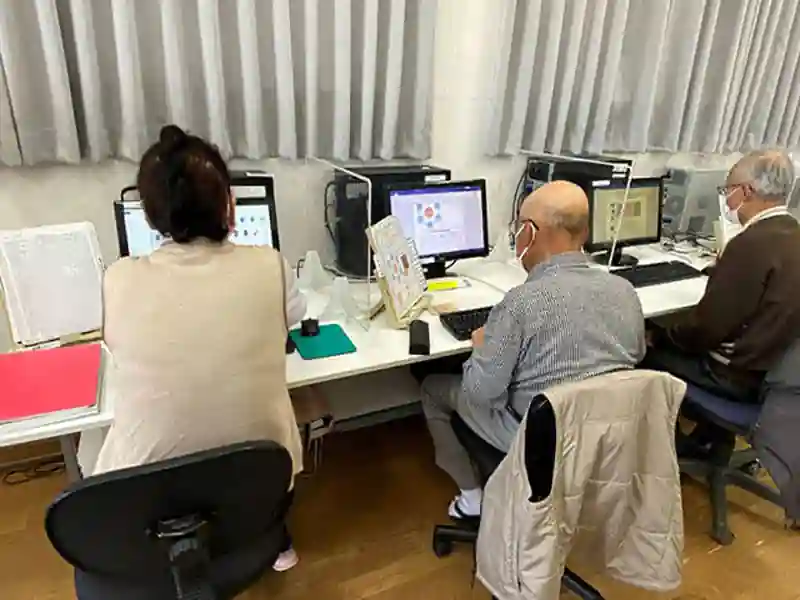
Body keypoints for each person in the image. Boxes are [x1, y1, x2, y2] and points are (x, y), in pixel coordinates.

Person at [88, 125, 305, 572]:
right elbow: (294, 317)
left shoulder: (118, 279)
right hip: (260, 488)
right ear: (228, 202)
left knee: (96, 443)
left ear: (151, 215)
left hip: (148, 505)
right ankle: (270, 539)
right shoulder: (271, 266)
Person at [420, 180, 646, 518]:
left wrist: (481, 348)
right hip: (605, 435)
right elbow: (636, 356)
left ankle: (472, 499)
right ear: (584, 232)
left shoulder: (520, 304)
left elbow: (481, 395)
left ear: (529, 232)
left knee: (432, 387)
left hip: (539, 438)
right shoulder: (624, 290)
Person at [645, 149, 800, 404]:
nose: (726, 200)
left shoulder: (749, 243)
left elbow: (705, 330)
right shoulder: (793, 233)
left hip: (733, 376)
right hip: (775, 375)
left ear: (746, 192)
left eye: (727, 190)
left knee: (642, 351)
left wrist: (659, 336)